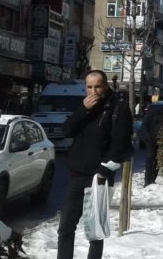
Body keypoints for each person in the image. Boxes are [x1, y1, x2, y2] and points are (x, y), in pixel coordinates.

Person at [57, 70, 133, 259]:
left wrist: (103, 171)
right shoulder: (84, 106)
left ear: (105, 86)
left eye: (97, 86)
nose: (93, 91)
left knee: (95, 231)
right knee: (65, 228)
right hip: (77, 175)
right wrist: (83, 110)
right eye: (89, 87)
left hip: (99, 177)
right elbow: (66, 131)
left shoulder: (117, 108)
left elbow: (121, 145)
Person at [140, 101, 163, 186]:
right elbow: (145, 125)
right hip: (150, 139)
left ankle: (153, 179)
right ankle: (147, 181)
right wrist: (147, 136)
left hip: (162, 140)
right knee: (150, 158)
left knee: (158, 160)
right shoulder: (154, 113)